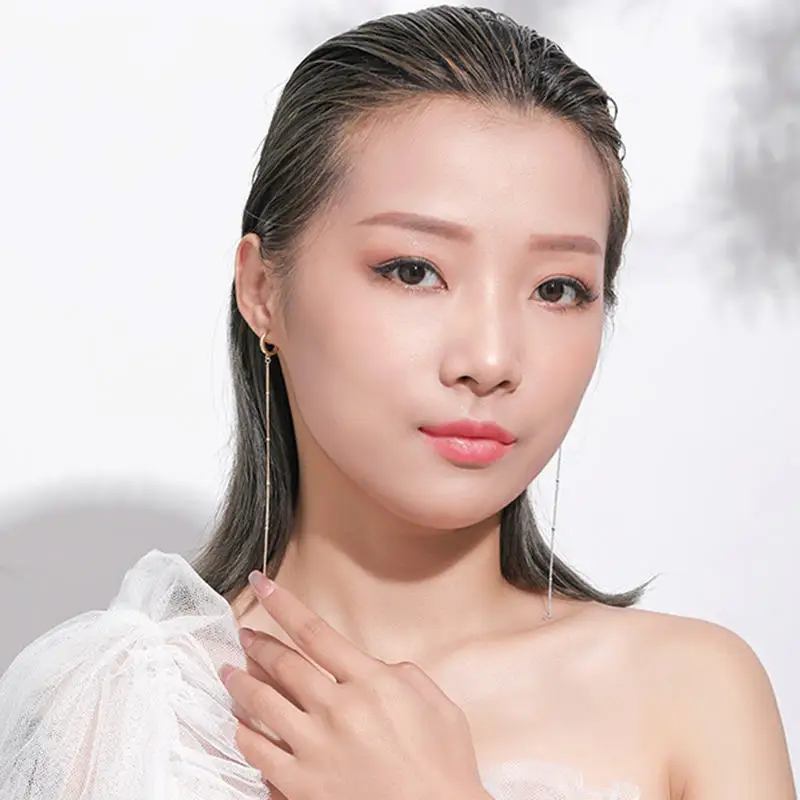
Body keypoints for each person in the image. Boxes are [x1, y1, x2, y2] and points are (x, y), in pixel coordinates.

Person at [0, 5, 795, 800]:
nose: (491, 360)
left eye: (557, 288)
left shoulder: (690, 697)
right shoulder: (123, 711)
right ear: (263, 288)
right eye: (414, 271)